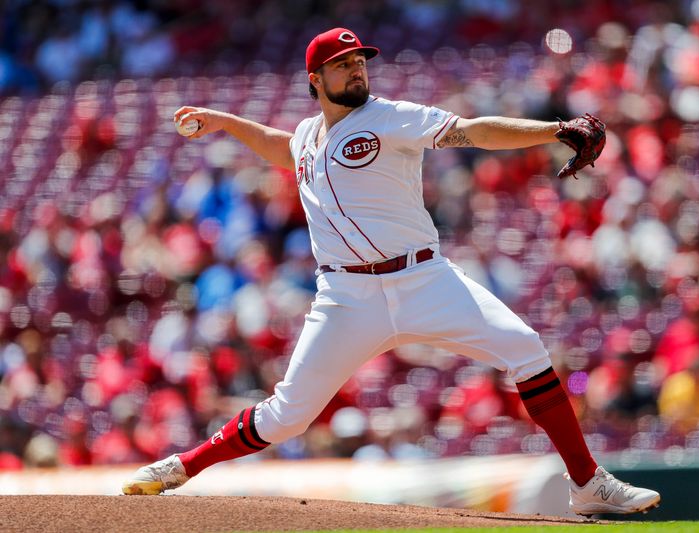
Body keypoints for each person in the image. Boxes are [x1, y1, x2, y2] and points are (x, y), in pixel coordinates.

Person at [122, 27, 661, 516]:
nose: (356, 69)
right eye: (342, 63)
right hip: (347, 296)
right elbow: (282, 149)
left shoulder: (391, 116)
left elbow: (472, 131)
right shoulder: (310, 135)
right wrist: (222, 121)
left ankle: (588, 482)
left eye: (359, 60)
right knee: (287, 416)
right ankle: (180, 467)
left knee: (525, 349)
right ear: (316, 79)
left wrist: (553, 130)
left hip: (425, 280)